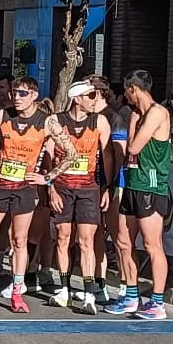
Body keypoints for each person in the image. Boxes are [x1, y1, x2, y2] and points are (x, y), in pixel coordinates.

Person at [0, 77, 71, 313]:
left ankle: (16, 291)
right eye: (14, 92)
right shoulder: (3, 114)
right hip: (1, 184)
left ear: (34, 95)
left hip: (25, 188)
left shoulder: (47, 121)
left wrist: (47, 177)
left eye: (22, 93)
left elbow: (70, 153)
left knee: (20, 240)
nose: (17, 97)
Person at [100, 71, 173, 320]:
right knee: (123, 241)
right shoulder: (136, 114)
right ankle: (131, 295)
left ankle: (158, 301)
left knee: (153, 245)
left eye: (127, 90)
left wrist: (132, 124)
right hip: (132, 183)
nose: (125, 96)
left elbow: (133, 147)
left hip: (151, 187)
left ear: (133, 89)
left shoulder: (156, 113)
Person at [48, 81, 111, 313]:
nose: (95, 99)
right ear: (77, 99)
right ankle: (64, 289)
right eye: (90, 95)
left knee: (86, 241)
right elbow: (48, 156)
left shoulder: (100, 121)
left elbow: (107, 157)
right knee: (64, 237)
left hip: (88, 188)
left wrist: (106, 187)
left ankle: (88, 293)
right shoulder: (56, 121)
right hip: (62, 187)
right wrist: (50, 187)